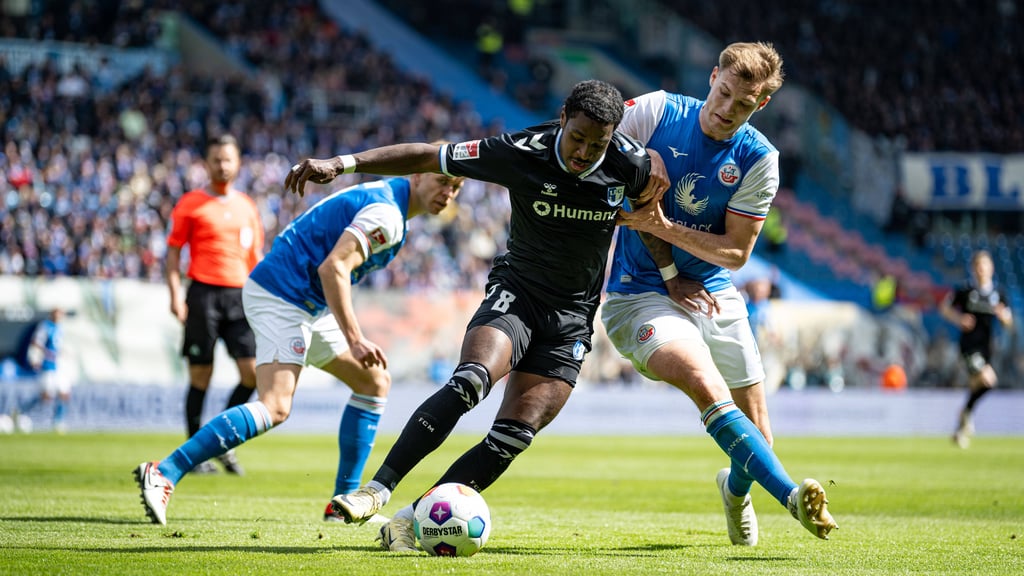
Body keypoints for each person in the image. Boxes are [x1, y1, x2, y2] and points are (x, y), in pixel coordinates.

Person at [302, 80, 666, 552]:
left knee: (513, 437)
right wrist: (344, 163)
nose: (584, 152)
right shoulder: (520, 150)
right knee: (471, 380)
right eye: (577, 137)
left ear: (614, 136)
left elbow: (650, 218)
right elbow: (427, 157)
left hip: (573, 318)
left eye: (598, 144)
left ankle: (411, 521)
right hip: (517, 295)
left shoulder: (632, 164)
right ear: (563, 119)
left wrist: (673, 274)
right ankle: (377, 490)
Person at [134, 164, 465, 526]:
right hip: (283, 296)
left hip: (306, 302)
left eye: (456, 187)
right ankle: (165, 471)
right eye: (443, 181)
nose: (448, 193)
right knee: (275, 406)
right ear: (417, 175)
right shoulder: (386, 213)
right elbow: (333, 269)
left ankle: (342, 506)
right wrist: (354, 338)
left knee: (373, 382)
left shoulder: (387, 200)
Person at [604, 41, 838, 545]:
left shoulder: (759, 158)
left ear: (761, 106)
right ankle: (793, 497)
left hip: (711, 288)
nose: (726, 110)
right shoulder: (657, 110)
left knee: (759, 439)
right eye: (724, 92)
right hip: (637, 292)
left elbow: (735, 254)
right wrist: (639, 158)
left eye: (743, 105)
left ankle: (734, 492)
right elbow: (595, 140)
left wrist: (663, 226)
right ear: (712, 76)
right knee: (700, 376)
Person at [165, 134, 264, 475]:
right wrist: (176, 294)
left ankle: (221, 442)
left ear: (238, 164)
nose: (222, 165)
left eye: (228, 159)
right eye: (216, 159)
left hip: (240, 296)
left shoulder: (247, 206)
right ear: (206, 164)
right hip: (203, 293)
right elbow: (174, 251)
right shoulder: (190, 203)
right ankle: (194, 455)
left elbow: (255, 257)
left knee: (252, 375)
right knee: (200, 376)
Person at [940, 249, 1013, 449]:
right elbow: (944, 308)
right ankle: (966, 414)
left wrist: (1003, 316)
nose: (982, 270)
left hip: (987, 348)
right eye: (979, 266)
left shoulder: (998, 295)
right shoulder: (965, 291)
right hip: (969, 346)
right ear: (974, 269)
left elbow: (1009, 322)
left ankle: (960, 429)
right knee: (988, 381)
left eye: (985, 266)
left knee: (975, 388)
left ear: (992, 268)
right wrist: (959, 319)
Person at [16, 308, 70, 433]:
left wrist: (62, 353)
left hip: (59, 367)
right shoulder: (45, 326)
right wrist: (42, 356)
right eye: (57, 313)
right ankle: (21, 412)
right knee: (46, 397)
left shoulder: (60, 328)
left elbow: (57, 346)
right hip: (47, 366)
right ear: (52, 314)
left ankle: (58, 422)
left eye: (61, 313)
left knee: (64, 394)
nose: (59, 316)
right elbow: (36, 343)